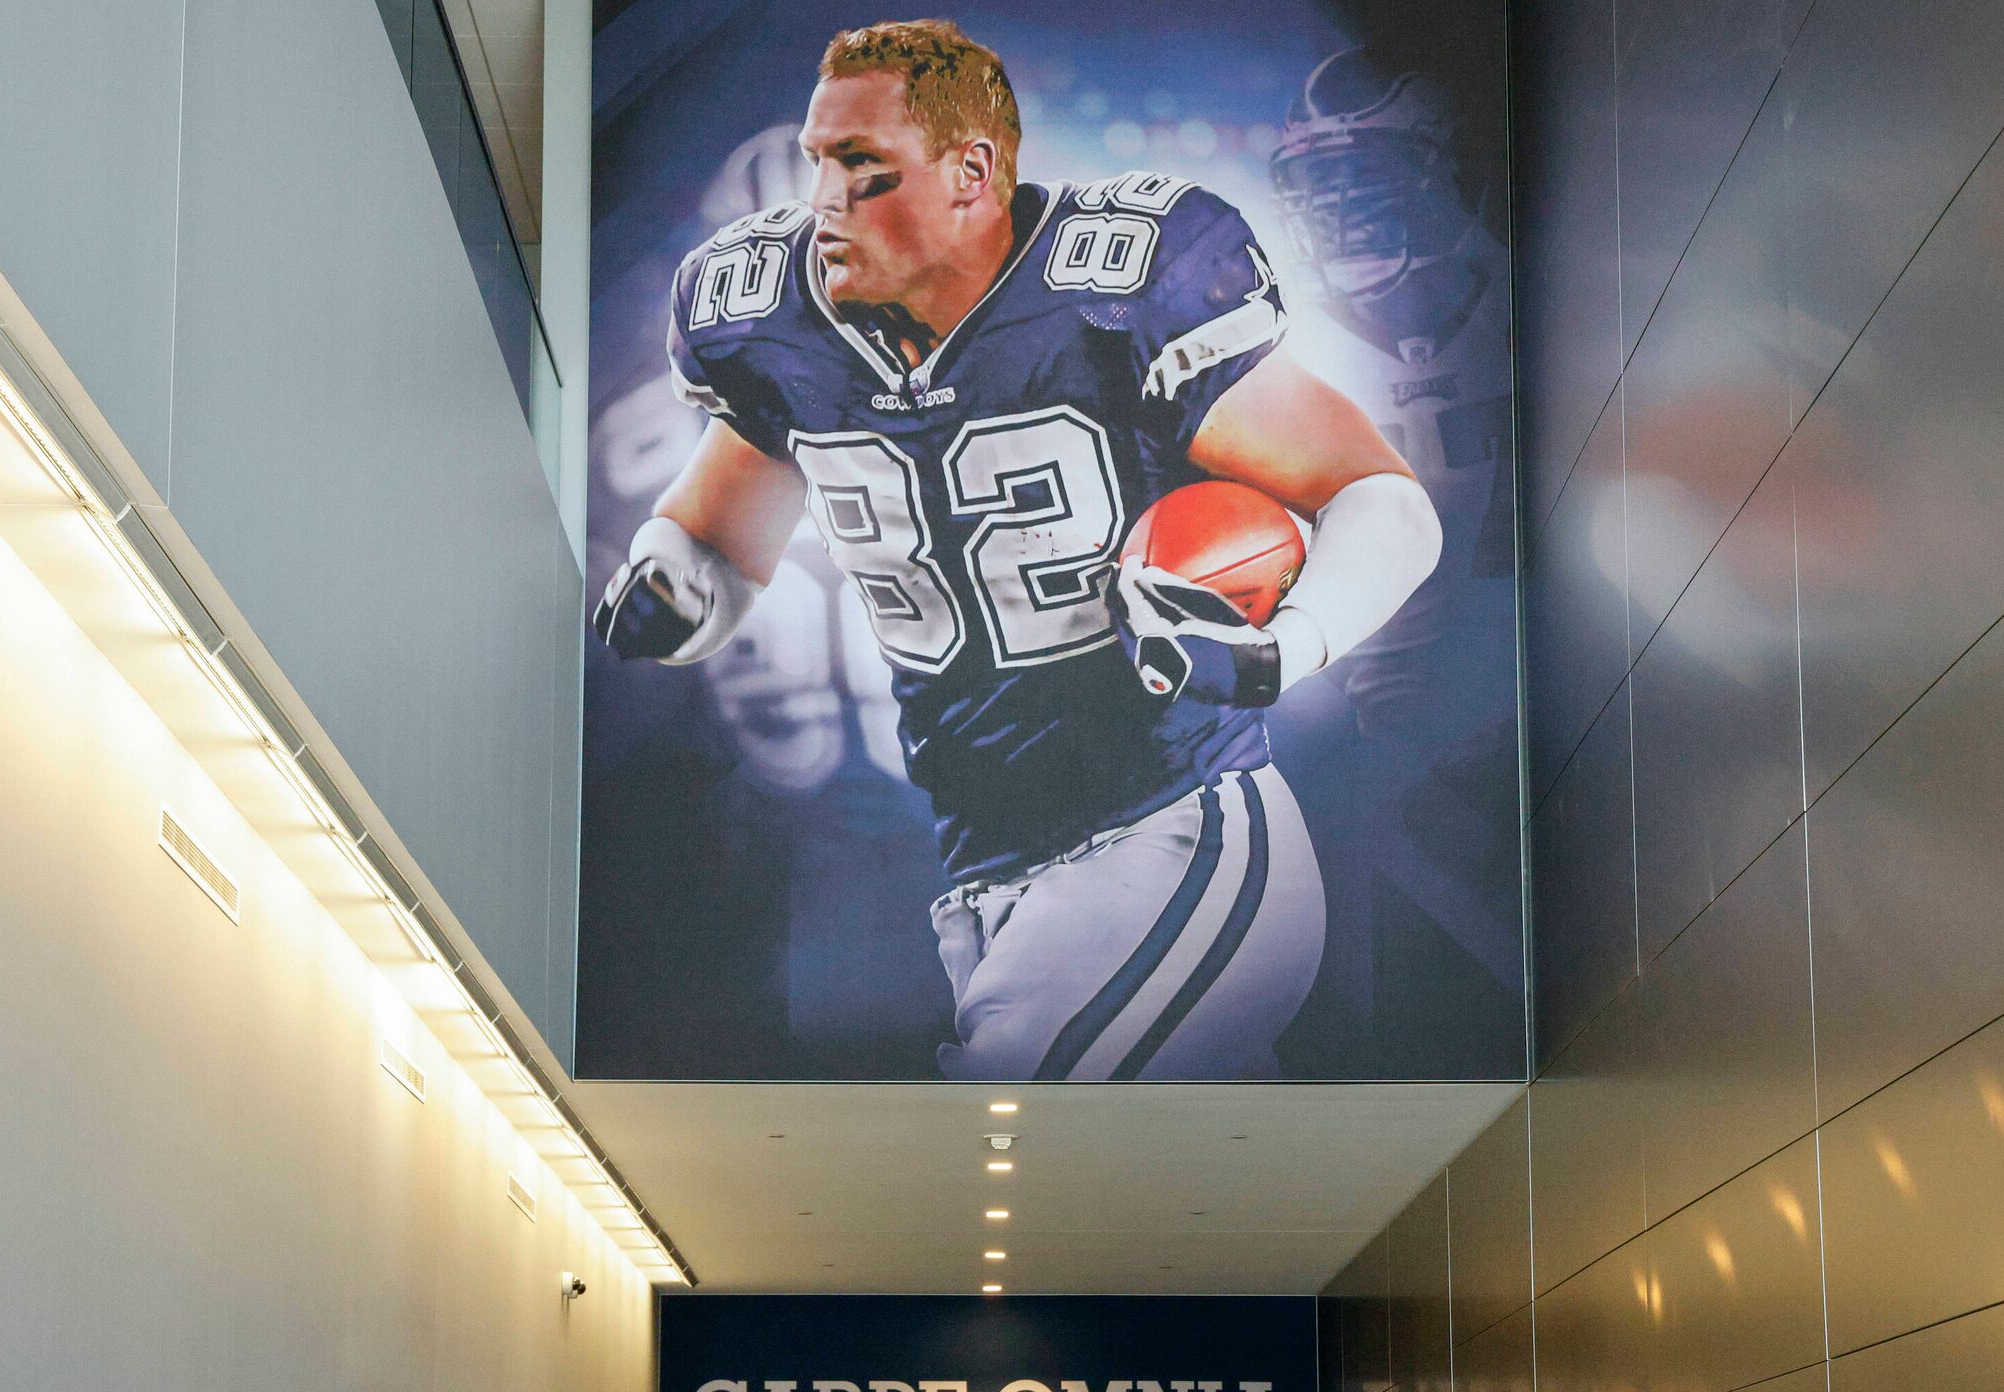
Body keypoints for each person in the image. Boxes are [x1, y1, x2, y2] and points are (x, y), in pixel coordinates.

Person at [593, 18, 1442, 1082]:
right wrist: (674, 583)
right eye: (819, 160)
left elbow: (1381, 501)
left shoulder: (1120, 287)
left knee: (1006, 1128)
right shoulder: (770, 321)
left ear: (971, 172)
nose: (822, 202)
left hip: (1173, 831)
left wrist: (1284, 648)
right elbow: (718, 539)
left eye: (861, 168)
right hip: (981, 868)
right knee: (1141, 1199)